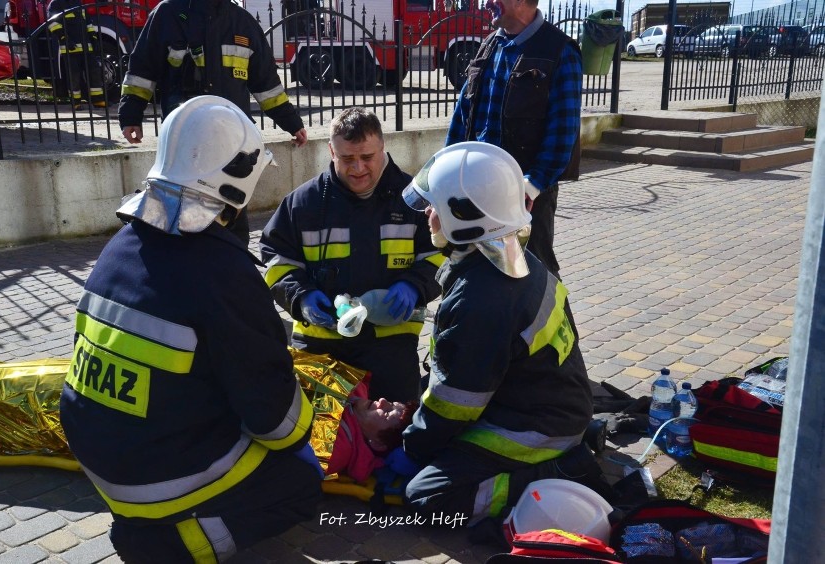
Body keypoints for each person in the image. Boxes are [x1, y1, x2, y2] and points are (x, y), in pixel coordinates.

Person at [60, 95, 322, 562]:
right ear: (237, 181)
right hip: (152, 480)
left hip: (97, 459)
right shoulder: (224, 272)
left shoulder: (120, 245)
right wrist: (305, 434)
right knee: (299, 484)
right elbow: (276, 422)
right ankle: (174, 545)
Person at [399, 142, 609, 529]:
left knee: (428, 498)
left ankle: (564, 471)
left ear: (463, 217)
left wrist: (413, 447)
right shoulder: (511, 256)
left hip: (532, 426)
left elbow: (457, 403)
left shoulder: (482, 295)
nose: (428, 214)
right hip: (554, 408)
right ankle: (571, 445)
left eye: (436, 207)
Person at [259, 107, 443, 403]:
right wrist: (300, 296)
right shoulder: (302, 204)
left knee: (393, 436)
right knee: (324, 442)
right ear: (331, 151)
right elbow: (276, 258)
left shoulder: (415, 200)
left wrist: (414, 286)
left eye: (367, 157)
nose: (358, 168)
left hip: (392, 344)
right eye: (347, 158)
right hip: (320, 344)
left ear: (383, 148)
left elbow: (440, 255)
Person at [118, 0, 307, 243]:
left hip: (232, 150)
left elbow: (267, 85)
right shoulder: (167, 15)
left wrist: (292, 123)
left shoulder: (242, 23)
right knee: (182, 217)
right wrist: (131, 115)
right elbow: (142, 70)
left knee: (232, 218)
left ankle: (233, 269)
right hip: (185, 148)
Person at [445, 0, 581, 278]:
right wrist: (445, 176)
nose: (487, 3)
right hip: (476, 189)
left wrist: (531, 186)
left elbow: (562, 132)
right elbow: (462, 118)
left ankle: (557, 323)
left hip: (526, 197)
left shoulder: (559, 51)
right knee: (471, 272)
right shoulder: (489, 46)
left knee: (535, 275)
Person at [324, 376, 418, 482]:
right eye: (391, 404)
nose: (382, 400)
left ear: (377, 443)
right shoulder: (359, 386)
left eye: (387, 413)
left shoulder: (336, 451)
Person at [47, 0, 106, 109]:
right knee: (74, 75)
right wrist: (64, 38)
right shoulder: (56, 3)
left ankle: (98, 100)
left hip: (86, 46)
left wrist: (93, 37)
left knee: (94, 71)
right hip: (70, 48)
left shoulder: (77, 2)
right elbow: (52, 23)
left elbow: (87, 21)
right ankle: (76, 102)